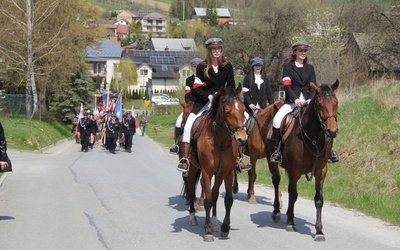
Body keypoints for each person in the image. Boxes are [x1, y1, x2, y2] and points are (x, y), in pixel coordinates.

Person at [177, 37, 250, 173]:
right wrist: (208, 96)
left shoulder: (227, 66)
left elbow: (232, 85)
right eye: (214, 49)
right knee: (188, 125)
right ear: (209, 51)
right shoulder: (201, 67)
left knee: (241, 120)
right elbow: (197, 88)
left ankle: (240, 157)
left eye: (219, 49)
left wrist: (223, 96)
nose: (217, 51)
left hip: (223, 102)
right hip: (204, 103)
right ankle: (185, 158)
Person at [270, 40, 339, 164]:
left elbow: (313, 85)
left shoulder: (310, 68)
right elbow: (287, 86)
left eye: (305, 51)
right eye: (301, 50)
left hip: (308, 101)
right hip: (292, 101)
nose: (303, 53)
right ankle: (277, 151)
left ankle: (329, 152)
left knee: (324, 119)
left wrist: (310, 98)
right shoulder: (287, 68)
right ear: (295, 52)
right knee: (276, 119)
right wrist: (295, 99)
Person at [169, 57, 202, 154]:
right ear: (192, 67)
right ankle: (177, 144)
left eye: (198, 66)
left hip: (205, 105)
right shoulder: (189, 80)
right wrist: (189, 104)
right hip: (192, 106)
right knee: (179, 120)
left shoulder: (207, 79)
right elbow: (188, 95)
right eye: (194, 66)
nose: (196, 68)